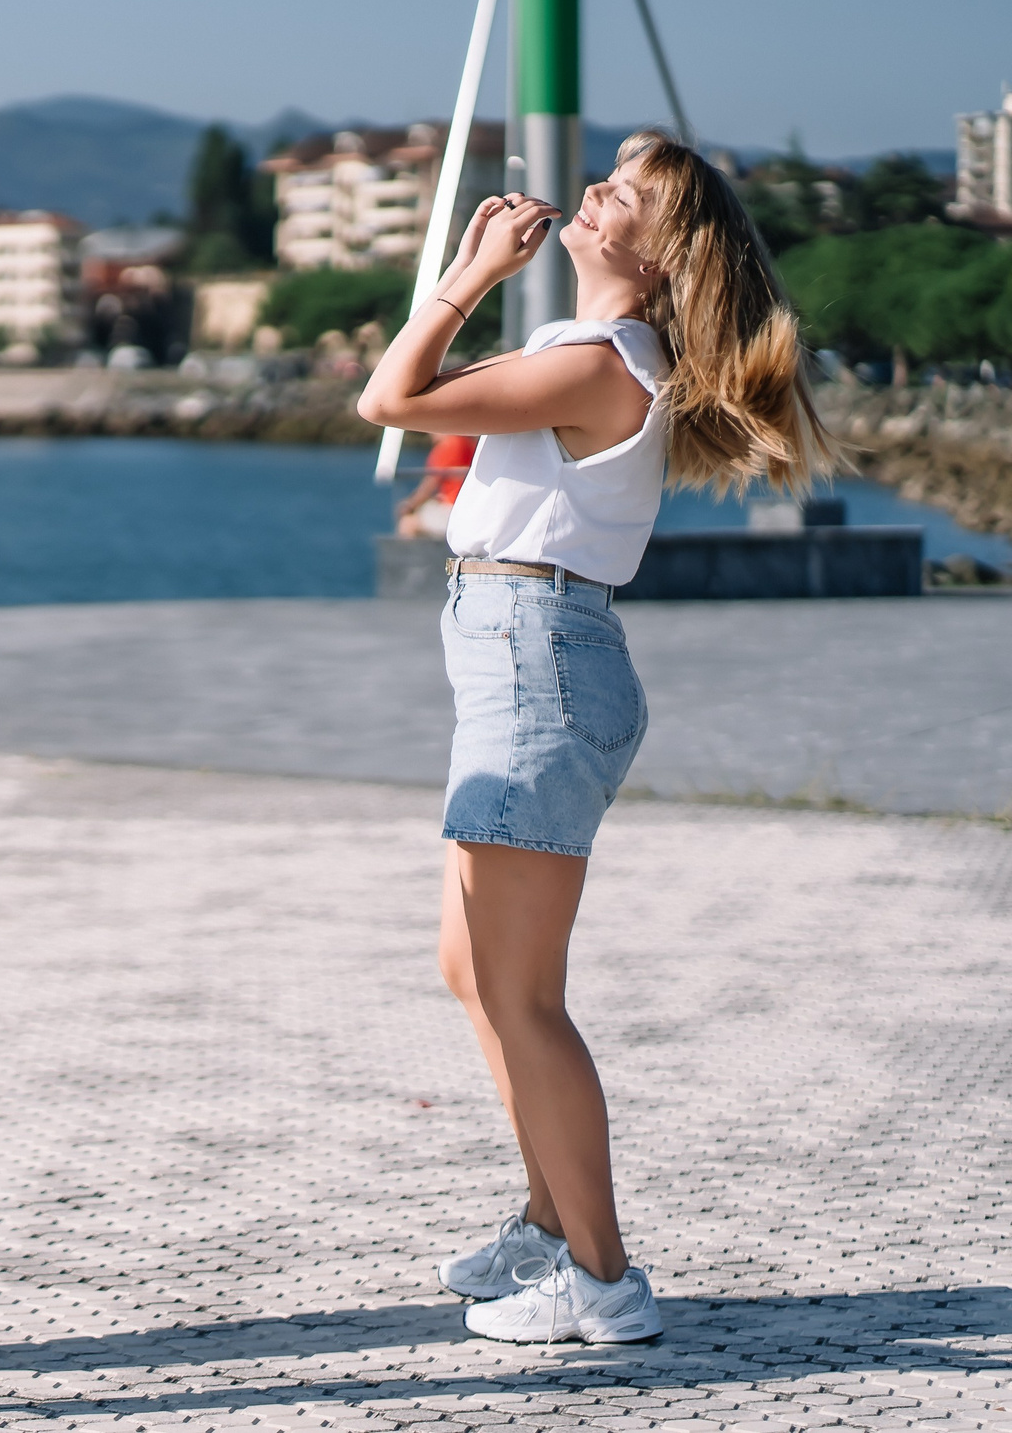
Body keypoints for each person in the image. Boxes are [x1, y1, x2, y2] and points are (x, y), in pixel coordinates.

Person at [356, 130, 832, 1344]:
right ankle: (548, 1222)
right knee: (477, 974)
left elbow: (389, 399)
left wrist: (464, 275)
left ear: (656, 254)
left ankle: (604, 1280)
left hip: (539, 660)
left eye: (623, 193)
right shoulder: (600, 353)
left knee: (522, 996)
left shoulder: (595, 357)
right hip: (527, 649)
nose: (594, 193)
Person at [395, 431, 477, 537]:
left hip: (453, 510)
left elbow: (429, 485)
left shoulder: (447, 446)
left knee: (408, 523)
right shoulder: (468, 443)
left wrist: (409, 505)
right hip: (471, 508)